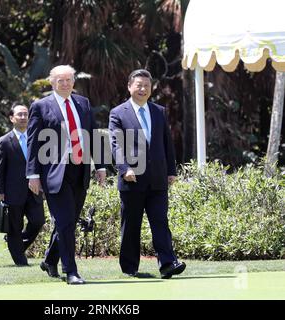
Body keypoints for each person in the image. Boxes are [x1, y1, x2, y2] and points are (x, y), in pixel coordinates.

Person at [26, 65, 106, 285]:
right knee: (65, 221)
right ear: (52, 82)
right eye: (60, 80)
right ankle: (71, 271)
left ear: (73, 81)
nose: (65, 84)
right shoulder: (40, 106)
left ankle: (50, 259)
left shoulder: (83, 103)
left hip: (79, 170)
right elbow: (33, 142)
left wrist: (100, 166)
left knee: (68, 221)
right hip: (53, 172)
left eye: (69, 79)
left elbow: (93, 135)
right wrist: (32, 174)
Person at [109, 69, 185, 279]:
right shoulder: (118, 113)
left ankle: (168, 264)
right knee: (131, 225)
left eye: (147, 86)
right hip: (132, 179)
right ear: (130, 86)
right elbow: (115, 145)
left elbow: (166, 142)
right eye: (139, 85)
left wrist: (171, 170)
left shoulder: (159, 111)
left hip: (158, 178)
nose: (143, 89)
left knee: (160, 221)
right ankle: (130, 266)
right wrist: (124, 169)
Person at [0, 103, 45, 266]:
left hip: (34, 189)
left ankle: (16, 246)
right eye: (20, 115)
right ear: (11, 118)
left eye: (25, 114)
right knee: (14, 227)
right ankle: (20, 260)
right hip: (12, 192)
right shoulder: (3, 141)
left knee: (38, 221)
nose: (23, 117)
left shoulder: (36, 139)